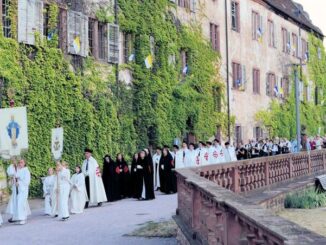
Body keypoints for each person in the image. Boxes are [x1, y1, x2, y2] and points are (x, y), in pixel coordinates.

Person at [8, 159, 31, 225]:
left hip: (23, 190)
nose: (20, 163)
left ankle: (23, 218)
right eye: (19, 162)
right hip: (16, 189)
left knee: (21, 203)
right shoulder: (17, 170)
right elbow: (11, 173)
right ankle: (17, 217)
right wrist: (13, 164)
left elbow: (27, 181)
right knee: (17, 204)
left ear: (24, 163)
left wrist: (19, 183)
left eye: (21, 162)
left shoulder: (26, 171)